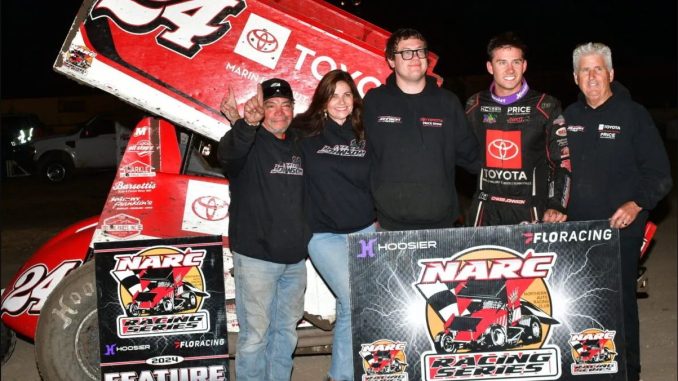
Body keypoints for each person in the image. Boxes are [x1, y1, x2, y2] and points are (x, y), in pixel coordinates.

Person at [563, 42, 672, 381]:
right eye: (585, 70)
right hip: (577, 232)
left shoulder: (634, 115)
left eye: (598, 69)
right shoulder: (567, 118)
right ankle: (587, 370)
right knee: (577, 304)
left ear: (610, 74)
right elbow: (555, 173)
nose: (592, 76)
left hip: (620, 229)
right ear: (575, 78)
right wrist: (553, 207)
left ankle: (629, 371)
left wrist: (636, 203)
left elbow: (660, 174)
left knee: (619, 305)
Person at [218, 78, 309, 381]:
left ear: (293, 110)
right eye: (271, 106)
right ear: (261, 110)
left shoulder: (299, 143)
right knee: (256, 336)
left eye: (285, 105)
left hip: (295, 261)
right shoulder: (249, 142)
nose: (279, 112)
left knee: (285, 334)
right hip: (256, 258)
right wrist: (244, 123)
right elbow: (228, 155)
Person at [292, 69, 375, 381]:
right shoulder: (303, 132)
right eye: (334, 95)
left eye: (347, 94)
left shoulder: (366, 132)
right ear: (322, 100)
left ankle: (344, 374)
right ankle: (342, 376)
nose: (341, 101)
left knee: (350, 305)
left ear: (354, 99)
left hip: (364, 230)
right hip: (323, 234)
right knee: (355, 298)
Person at [363, 28, 480, 231]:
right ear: (391, 60)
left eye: (420, 51)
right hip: (388, 222)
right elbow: (359, 155)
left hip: (441, 222)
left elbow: (472, 156)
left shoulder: (448, 102)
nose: (415, 57)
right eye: (406, 52)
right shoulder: (374, 101)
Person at [465, 32, 571, 226]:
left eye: (516, 62)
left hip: (529, 212)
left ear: (524, 65)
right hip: (484, 211)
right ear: (490, 67)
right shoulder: (474, 104)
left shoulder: (546, 105)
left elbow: (562, 161)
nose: (510, 70)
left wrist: (557, 204)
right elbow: (458, 152)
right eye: (502, 62)